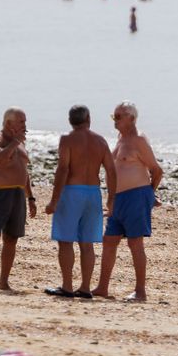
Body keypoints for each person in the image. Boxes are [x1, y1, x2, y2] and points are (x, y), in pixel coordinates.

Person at [94, 102, 163, 302]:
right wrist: (110, 199)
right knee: (109, 241)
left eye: (119, 116)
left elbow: (156, 170)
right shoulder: (120, 139)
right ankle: (102, 287)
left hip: (136, 196)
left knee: (135, 243)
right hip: (118, 199)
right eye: (113, 116)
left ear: (131, 118)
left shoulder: (139, 140)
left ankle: (140, 291)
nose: (115, 120)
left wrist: (149, 195)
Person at [46, 104, 115, 299]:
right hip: (93, 193)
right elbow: (111, 170)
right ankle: (85, 287)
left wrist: (54, 200)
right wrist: (111, 199)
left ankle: (67, 286)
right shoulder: (100, 141)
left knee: (66, 241)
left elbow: (63, 169)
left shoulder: (67, 139)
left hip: (72, 192)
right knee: (87, 243)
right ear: (89, 119)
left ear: (70, 121)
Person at [0, 107, 38, 292]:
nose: (25, 125)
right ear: (8, 123)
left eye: (25, 121)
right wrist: (15, 142)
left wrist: (30, 197)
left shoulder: (19, 142)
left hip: (17, 193)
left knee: (12, 238)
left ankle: (3, 281)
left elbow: (24, 170)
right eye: (21, 121)